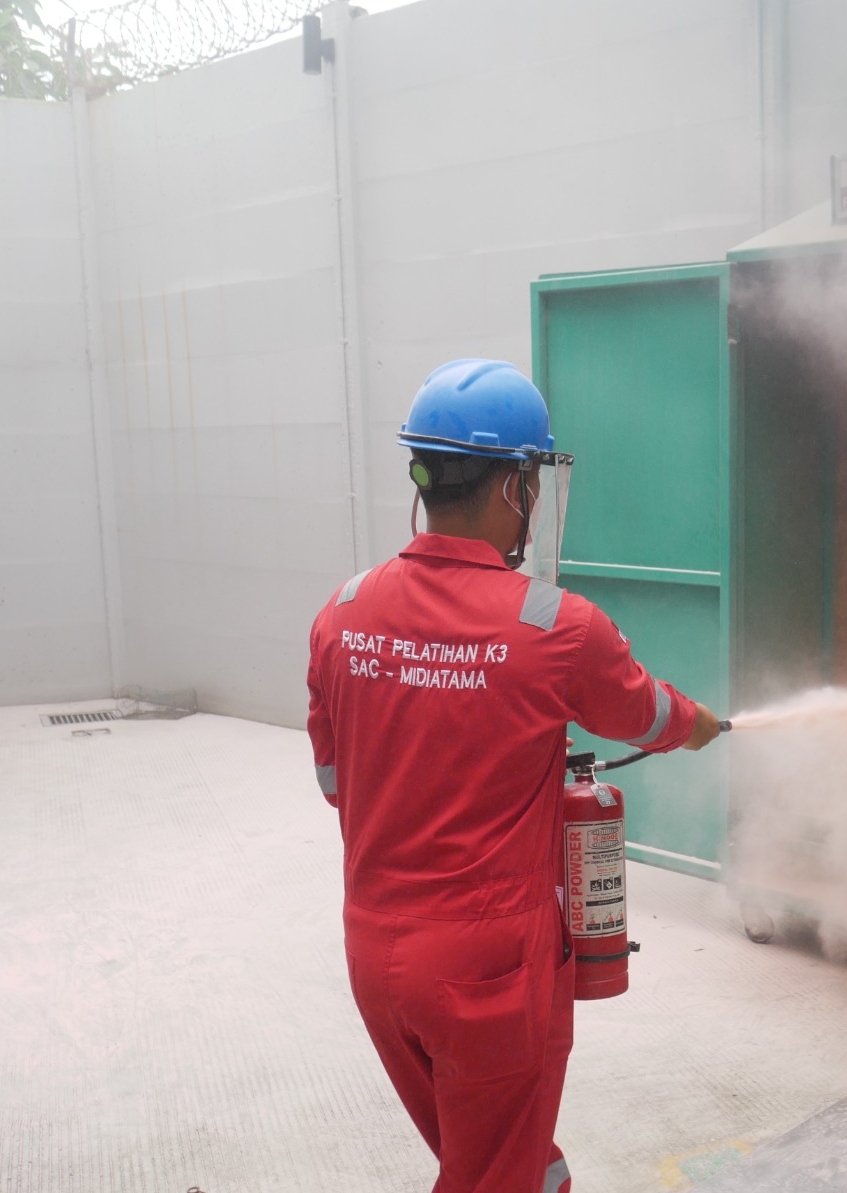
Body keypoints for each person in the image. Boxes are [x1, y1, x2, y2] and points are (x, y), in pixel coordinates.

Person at [306, 359, 721, 1193]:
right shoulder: (555, 626)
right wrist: (699, 723)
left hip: (375, 954)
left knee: (503, 1156)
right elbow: (647, 715)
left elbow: (334, 781)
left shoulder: (343, 613)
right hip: (487, 971)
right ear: (513, 486)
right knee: (492, 1173)